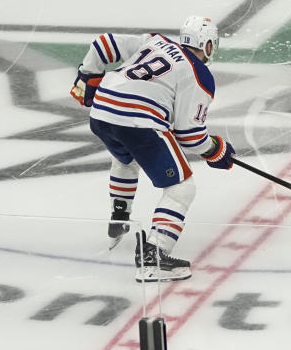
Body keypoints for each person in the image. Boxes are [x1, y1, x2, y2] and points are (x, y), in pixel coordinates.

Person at [69, 15, 236, 282]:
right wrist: (215, 149)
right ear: (206, 45)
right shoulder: (200, 75)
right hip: (138, 120)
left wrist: (87, 76)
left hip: (101, 113)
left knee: (126, 159)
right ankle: (154, 256)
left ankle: (119, 216)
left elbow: (103, 44)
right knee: (182, 187)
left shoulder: (154, 41)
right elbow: (189, 135)